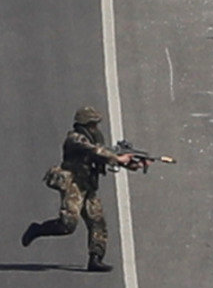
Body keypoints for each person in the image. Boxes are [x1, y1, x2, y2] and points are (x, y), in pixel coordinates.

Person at [20, 107, 167, 271]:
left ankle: (95, 258)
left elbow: (104, 157)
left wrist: (133, 164)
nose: (95, 128)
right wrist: (118, 157)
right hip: (73, 185)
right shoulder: (74, 139)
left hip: (88, 185)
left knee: (97, 222)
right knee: (68, 224)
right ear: (85, 123)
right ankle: (37, 230)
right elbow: (95, 151)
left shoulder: (94, 139)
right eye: (92, 125)